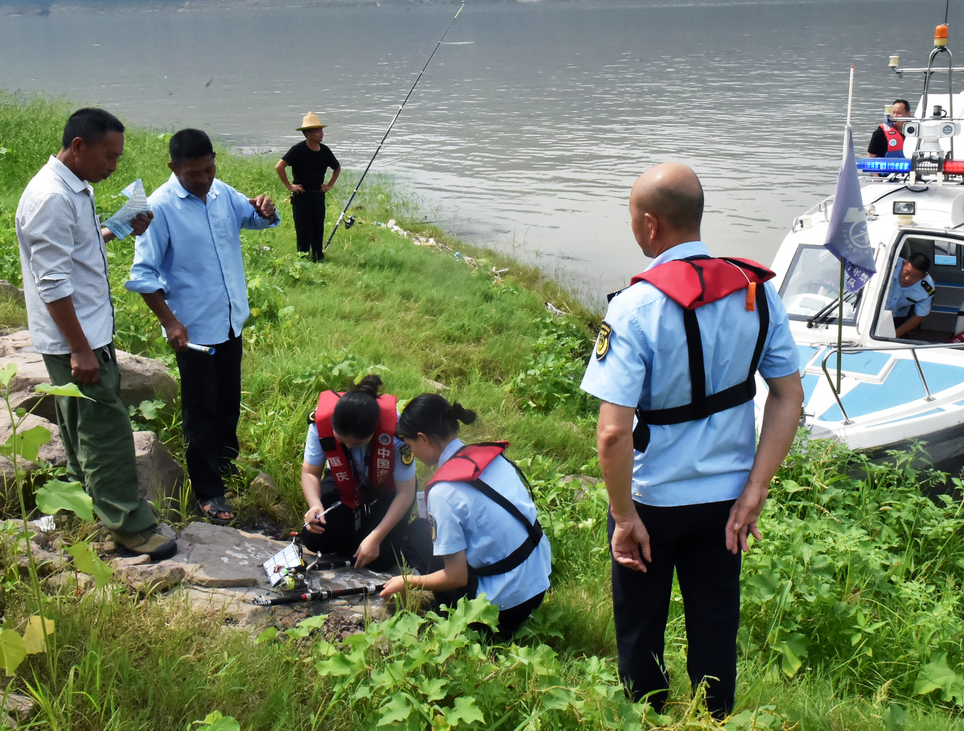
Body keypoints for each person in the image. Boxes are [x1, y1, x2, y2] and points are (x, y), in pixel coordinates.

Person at [579, 162, 805, 717]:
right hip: (725, 501)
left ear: (650, 225)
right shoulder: (756, 292)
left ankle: (646, 716)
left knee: (640, 629)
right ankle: (715, 719)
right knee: (714, 623)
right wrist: (756, 489)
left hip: (652, 501)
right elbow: (787, 397)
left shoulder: (634, 307)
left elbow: (613, 433)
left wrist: (624, 516)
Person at [15, 108, 176, 560]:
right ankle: (132, 528)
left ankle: (78, 505)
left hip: (82, 336)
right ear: (79, 146)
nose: (114, 167)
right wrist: (81, 349)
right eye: (109, 156)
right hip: (77, 339)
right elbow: (52, 282)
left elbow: (77, 249)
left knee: (79, 431)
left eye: (118, 158)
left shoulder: (73, 186)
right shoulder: (51, 197)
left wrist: (118, 226)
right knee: (106, 434)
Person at [126, 128, 280, 523]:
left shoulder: (221, 192)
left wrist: (265, 208)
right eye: (194, 174)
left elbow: (256, 219)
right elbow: (143, 275)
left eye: (209, 169)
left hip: (229, 322)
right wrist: (171, 323)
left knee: (228, 401)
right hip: (192, 333)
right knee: (201, 412)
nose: (203, 179)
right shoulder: (158, 208)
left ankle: (226, 467)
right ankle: (209, 493)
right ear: (173, 168)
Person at [380, 394, 551, 640]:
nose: (412, 453)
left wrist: (409, 582)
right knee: (425, 532)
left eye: (410, 444)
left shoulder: (442, 492)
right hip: (537, 585)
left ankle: (454, 620)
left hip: (500, 613)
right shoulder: (488, 457)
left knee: (415, 536)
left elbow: (456, 576)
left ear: (423, 439)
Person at [300, 375, 430, 571]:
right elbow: (310, 472)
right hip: (344, 481)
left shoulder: (396, 434)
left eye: (358, 443)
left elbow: (405, 493)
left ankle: (392, 535)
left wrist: (376, 537)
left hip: (388, 488)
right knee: (314, 539)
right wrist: (315, 504)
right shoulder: (321, 424)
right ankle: (358, 532)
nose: (350, 446)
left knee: (381, 560)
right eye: (342, 440)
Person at [275, 112, 340, 263]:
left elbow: (336, 167)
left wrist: (329, 185)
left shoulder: (325, 151)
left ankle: (318, 257)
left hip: (318, 194)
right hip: (302, 195)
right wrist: (290, 186)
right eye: (317, 131)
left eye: (321, 130)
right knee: (303, 229)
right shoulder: (298, 150)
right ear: (307, 134)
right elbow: (280, 167)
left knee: (318, 227)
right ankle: (302, 259)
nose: (321, 133)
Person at [886, 252, 935, 338]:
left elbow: (919, 316)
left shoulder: (926, 289)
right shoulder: (886, 266)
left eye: (915, 277)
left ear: (923, 277)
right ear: (903, 264)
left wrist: (894, 335)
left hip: (897, 318)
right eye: (906, 272)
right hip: (872, 313)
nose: (907, 279)